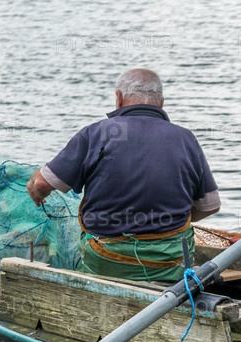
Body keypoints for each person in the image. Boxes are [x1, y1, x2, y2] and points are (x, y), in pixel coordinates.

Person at [27, 68, 220, 282]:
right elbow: (210, 206)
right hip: (170, 262)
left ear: (118, 98)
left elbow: (41, 184)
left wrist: (37, 191)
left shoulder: (96, 133)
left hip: (108, 261)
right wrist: (161, 226)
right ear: (161, 103)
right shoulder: (186, 138)